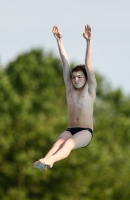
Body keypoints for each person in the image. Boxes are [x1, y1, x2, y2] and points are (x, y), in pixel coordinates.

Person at [33, 24, 97, 171]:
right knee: (58, 142)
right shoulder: (70, 88)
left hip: (85, 131)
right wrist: (59, 41)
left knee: (68, 144)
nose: (75, 79)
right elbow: (65, 62)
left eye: (79, 77)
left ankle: (51, 160)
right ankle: (44, 163)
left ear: (86, 78)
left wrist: (89, 41)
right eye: (74, 77)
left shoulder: (90, 89)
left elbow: (88, 63)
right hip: (71, 128)